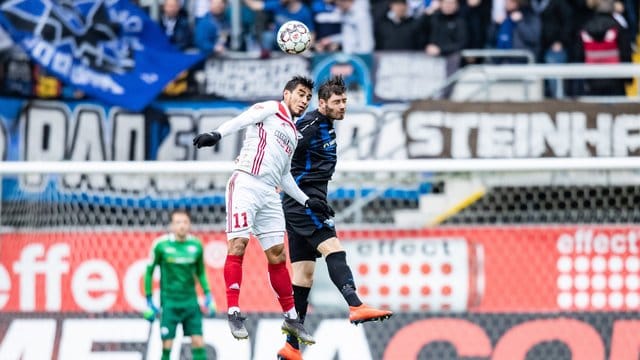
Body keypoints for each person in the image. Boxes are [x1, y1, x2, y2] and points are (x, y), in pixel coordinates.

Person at [192, 76, 332, 345]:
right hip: (246, 182)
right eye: (300, 94)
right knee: (238, 245)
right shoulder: (271, 108)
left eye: (307, 97)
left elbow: (284, 176)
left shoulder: (293, 132)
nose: (304, 101)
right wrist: (217, 134)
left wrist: (306, 201)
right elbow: (243, 119)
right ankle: (233, 311)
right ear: (286, 94)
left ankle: (291, 318)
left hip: (270, 193)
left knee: (278, 254)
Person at [277, 76, 393, 360]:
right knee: (334, 249)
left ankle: (291, 347)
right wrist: (307, 198)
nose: (343, 106)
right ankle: (355, 305)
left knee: (303, 274)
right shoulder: (309, 126)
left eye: (345, 102)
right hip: (303, 205)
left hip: (304, 204)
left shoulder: (327, 126)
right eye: (337, 102)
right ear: (322, 103)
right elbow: (281, 156)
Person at [143, 209, 217, 360]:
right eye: (178, 222)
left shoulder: (196, 245)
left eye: (184, 222)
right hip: (170, 303)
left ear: (189, 224)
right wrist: (149, 299)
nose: (181, 226)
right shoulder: (161, 245)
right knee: (167, 345)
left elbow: (201, 272)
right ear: (172, 225)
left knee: (198, 341)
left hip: (191, 302)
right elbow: (149, 272)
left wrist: (208, 294)